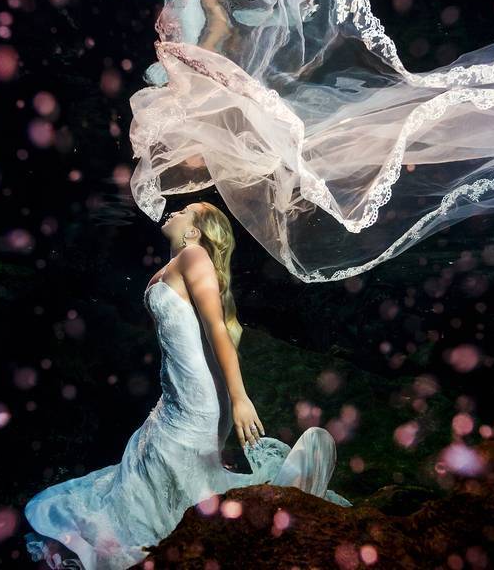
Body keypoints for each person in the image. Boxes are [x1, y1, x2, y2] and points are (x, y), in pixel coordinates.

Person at [130, 0, 494, 283]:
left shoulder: (208, 113)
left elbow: (221, 29)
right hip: (266, 101)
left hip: (263, 96)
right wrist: (203, 4)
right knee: (423, 116)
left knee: (418, 114)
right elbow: (221, 29)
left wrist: (200, 3)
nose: (190, 169)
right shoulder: (223, 119)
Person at [24, 201, 351, 570]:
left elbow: (216, 330)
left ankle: (186, 546)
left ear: (194, 232)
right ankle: (181, 543)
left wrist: (239, 397)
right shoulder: (179, 264)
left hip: (198, 400)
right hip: (178, 395)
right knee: (157, 473)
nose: (173, 212)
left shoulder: (193, 256)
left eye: (184, 211)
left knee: (167, 471)